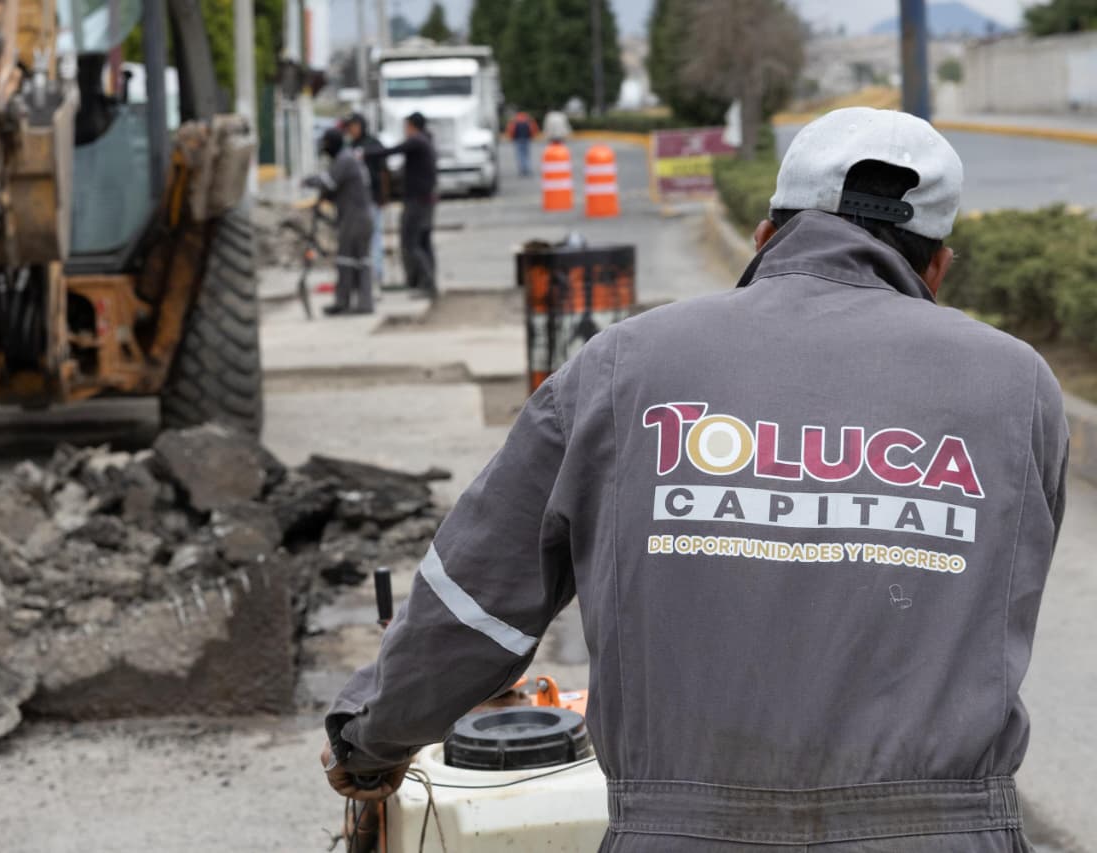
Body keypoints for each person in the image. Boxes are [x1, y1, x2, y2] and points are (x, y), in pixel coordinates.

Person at [321, 107, 1069, 851]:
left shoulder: (621, 367)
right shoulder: (1018, 388)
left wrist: (369, 738)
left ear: (765, 237)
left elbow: (476, 601)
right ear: (937, 267)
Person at [366, 112, 438, 299]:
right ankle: (425, 282)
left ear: (412, 126)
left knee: (411, 242)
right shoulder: (426, 141)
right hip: (424, 200)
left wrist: (366, 153)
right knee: (423, 242)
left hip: (418, 201)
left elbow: (393, 150)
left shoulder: (417, 141)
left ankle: (426, 283)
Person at [303, 127, 374, 315]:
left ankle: (345, 303)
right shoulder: (350, 158)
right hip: (359, 217)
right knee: (359, 261)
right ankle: (360, 303)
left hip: (354, 219)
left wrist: (308, 181)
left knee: (347, 261)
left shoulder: (345, 159)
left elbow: (329, 182)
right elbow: (338, 189)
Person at [344, 113, 387, 288]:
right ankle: (363, 276)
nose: (351, 130)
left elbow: (383, 172)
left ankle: (376, 273)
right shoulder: (351, 147)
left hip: (373, 198)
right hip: (356, 202)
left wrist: (383, 195)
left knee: (375, 236)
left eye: (354, 126)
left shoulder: (372, 144)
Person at [505, 110, 540, 176]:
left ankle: (522, 169)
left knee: (520, 155)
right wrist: (532, 136)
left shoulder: (515, 121)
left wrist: (511, 138)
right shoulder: (528, 121)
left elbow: (510, 130)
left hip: (518, 140)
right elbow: (534, 129)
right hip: (526, 139)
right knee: (527, 155)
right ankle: (527, 169)